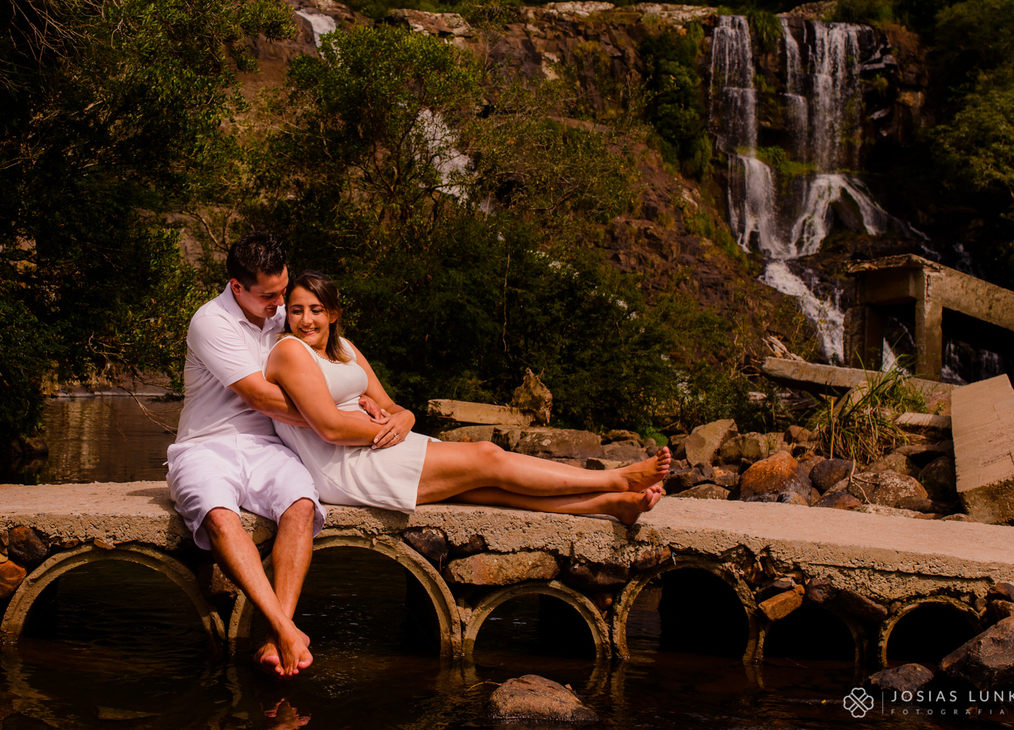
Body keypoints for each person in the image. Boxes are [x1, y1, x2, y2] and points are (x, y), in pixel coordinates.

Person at [265, 270, 670, 523]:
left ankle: (611, 504)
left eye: (316, 310)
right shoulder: (290, 351)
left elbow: (393, 407)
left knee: (491, 491)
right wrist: (383, 425)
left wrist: (402, 419)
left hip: (381, 443)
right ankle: (617, 477)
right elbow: (331, 428)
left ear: (333, 314)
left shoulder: (345, 349)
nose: (306, 320)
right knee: (486, 456)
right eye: (297, 310)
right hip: (344, 464)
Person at [166, 233, 333, 678]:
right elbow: (260, 397)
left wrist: (370, 405)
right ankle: (285, 630)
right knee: (220, 516)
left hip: (267, 447)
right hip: (204, 446)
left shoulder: (281, 315)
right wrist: (332, 421)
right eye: (269, 296)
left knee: (300, 507)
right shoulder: (210, 321)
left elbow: (333, 364)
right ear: (237, 287)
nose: (281, 304)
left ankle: (273, 636)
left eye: (283, 291)